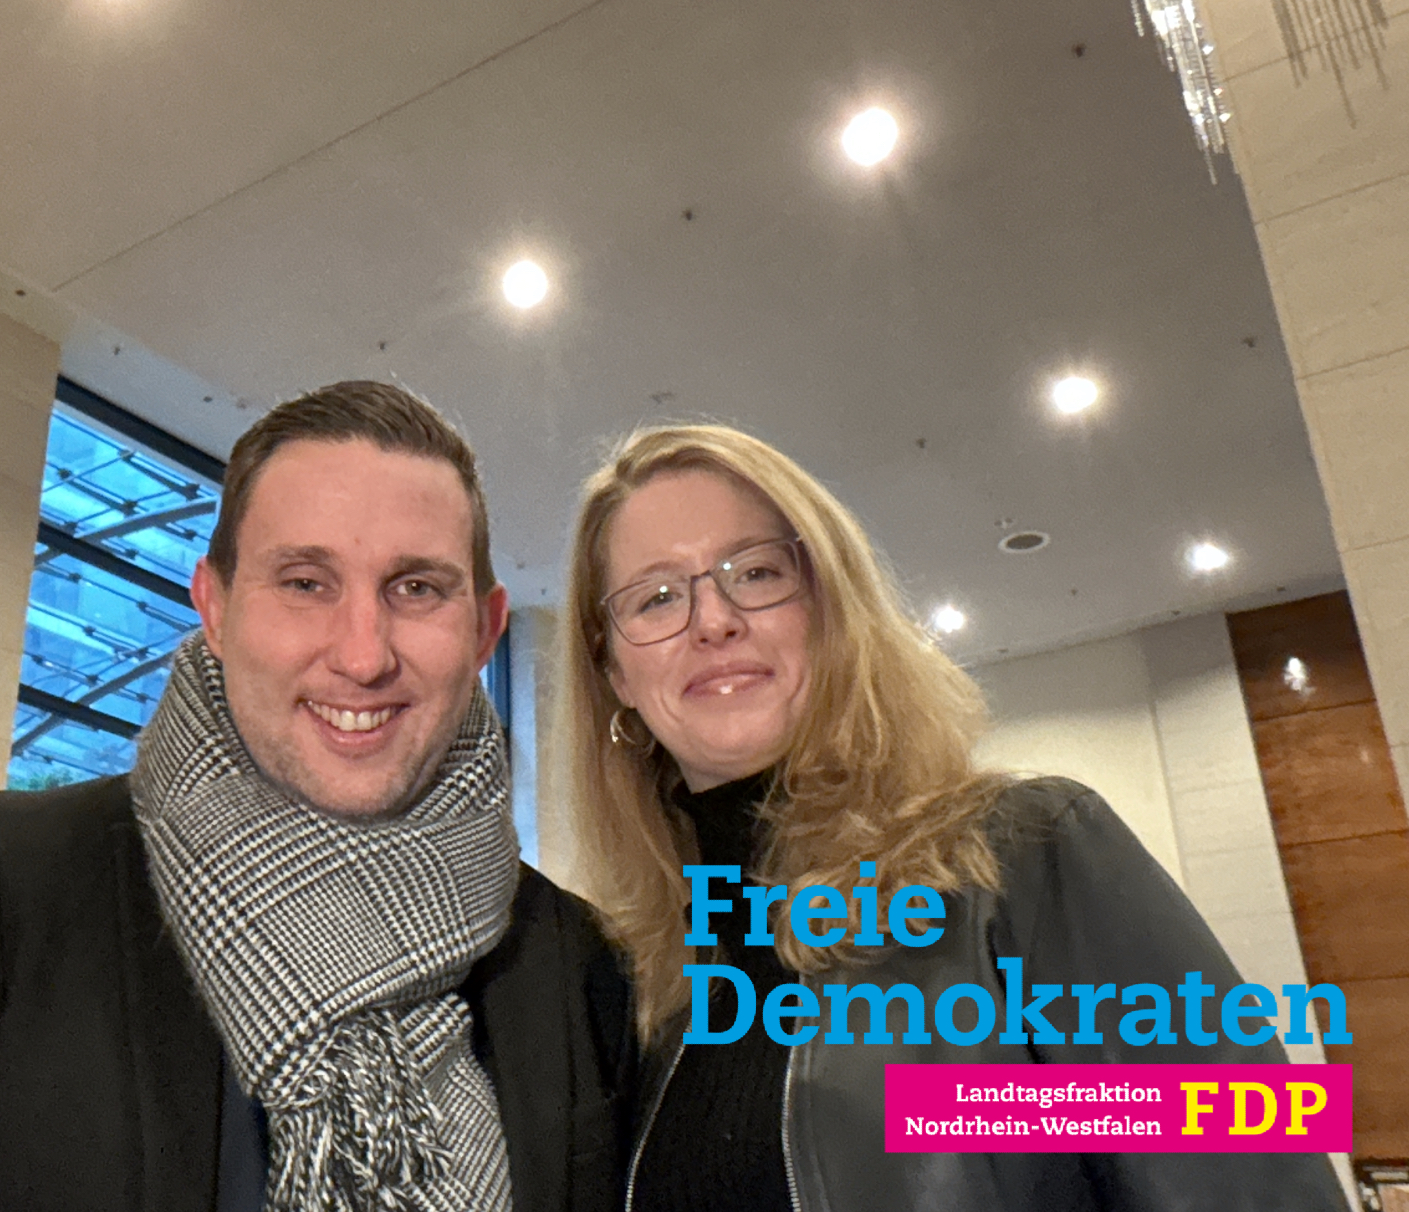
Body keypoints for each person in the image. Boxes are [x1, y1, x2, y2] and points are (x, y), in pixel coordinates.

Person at [0, 380, 633, 1212]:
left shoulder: (571, 957)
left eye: (417, 589)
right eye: (305, 583)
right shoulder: (19, 888)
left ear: (484, 631)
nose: (363, 655)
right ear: (214, 608)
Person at [555, 423, 1346, 1212]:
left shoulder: (1026, 855)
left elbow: (1257, 1185)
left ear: (830, 609)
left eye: (757, 572)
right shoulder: (639, 989)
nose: (713, 620)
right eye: (656, 598)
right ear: (614, 671)